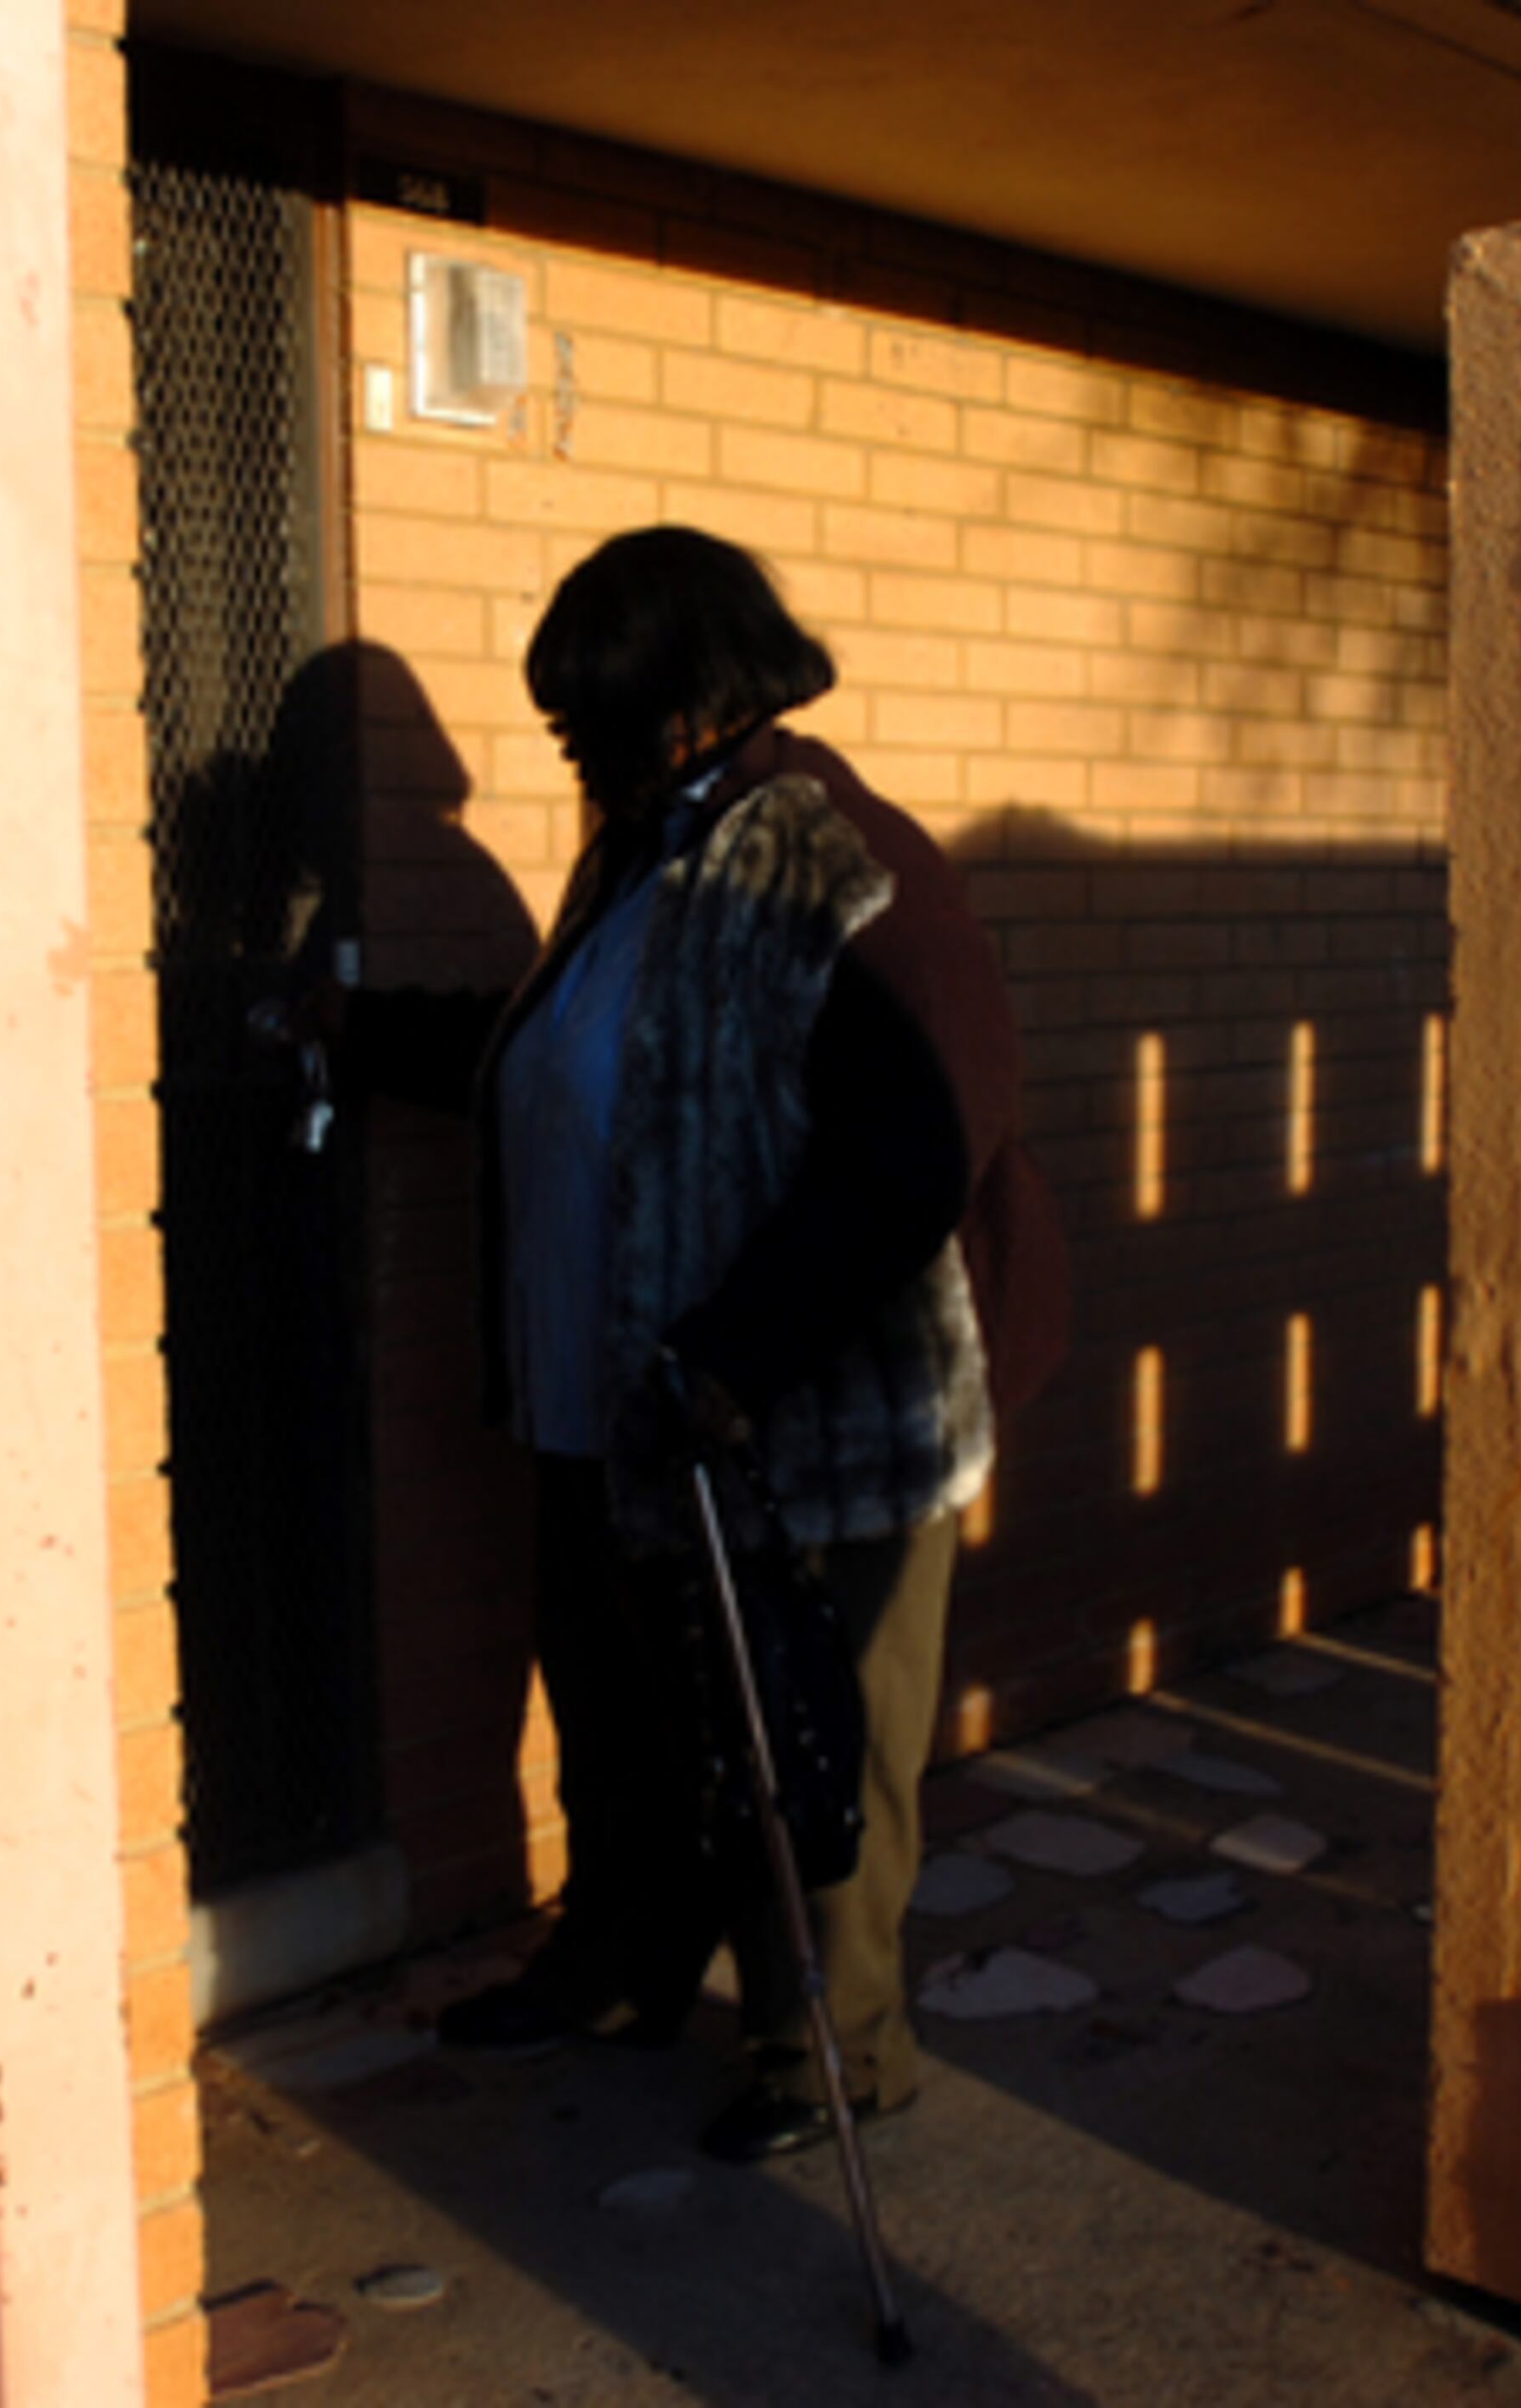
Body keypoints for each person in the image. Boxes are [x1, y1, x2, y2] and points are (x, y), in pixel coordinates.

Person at [320, 526, 1064, 2161]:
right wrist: (351, 1032)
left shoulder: (838, 859)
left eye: (587, 713)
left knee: (814, 1753)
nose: (566, 748)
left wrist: (742, 1348)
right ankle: (621, 1960)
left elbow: (923, 1147)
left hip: (802, 1419)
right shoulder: (640, 862)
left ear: (683, 696)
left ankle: (833, 2053)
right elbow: (570, 1064)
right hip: (614, 1406)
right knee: (619, 1712)